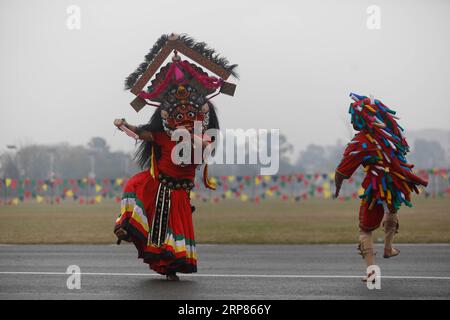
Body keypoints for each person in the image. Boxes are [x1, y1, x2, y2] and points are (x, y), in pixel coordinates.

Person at [113, 33, 237, 281]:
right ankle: (126, 226)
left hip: (178, 192)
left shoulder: (204, 136)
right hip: (159, 184)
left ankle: (169, 266)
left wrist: (188, 135)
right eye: (178, 114)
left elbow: (204, 145)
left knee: (171, 231)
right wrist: (123, 125)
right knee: (134, 185)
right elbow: (140, 134)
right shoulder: (161, 135)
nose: (183, 116)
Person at [334, 93, 428, 281]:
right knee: (392, 210)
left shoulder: (360, 142)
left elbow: (341, 172)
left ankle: (371, 272)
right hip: (397, 184)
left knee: (365, 230)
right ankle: (388, 248)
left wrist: (337, 188)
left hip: (376, 188)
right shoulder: (391, 134)